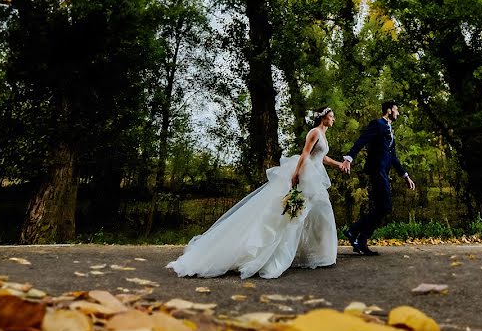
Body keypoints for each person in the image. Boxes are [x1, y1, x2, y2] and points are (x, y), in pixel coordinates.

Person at [167, 107, 350, 279]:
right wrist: (296, 174)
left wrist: (339, 165)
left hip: (316, 177)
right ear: (324, 117)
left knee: (320, 212)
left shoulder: (323, 135)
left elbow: (322, 157)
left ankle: (319, 254)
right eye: (331, 116)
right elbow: (305, 154)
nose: (333, 119)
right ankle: (274, 255)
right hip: (307, 176)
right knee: (294, 216)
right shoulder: (315, 132)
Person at [342, 100, 415, 256]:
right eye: (397, 110)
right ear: (389, 110)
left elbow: (393, 157)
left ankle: (359, 238)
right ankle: (354, 232)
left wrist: (405, 176)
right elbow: (362, 140)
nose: (398, 113)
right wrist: (349, 158)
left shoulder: (390, 130)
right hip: (376, 170)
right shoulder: (377, 124)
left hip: (383, 171)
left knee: (383, 207)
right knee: (385, 206)